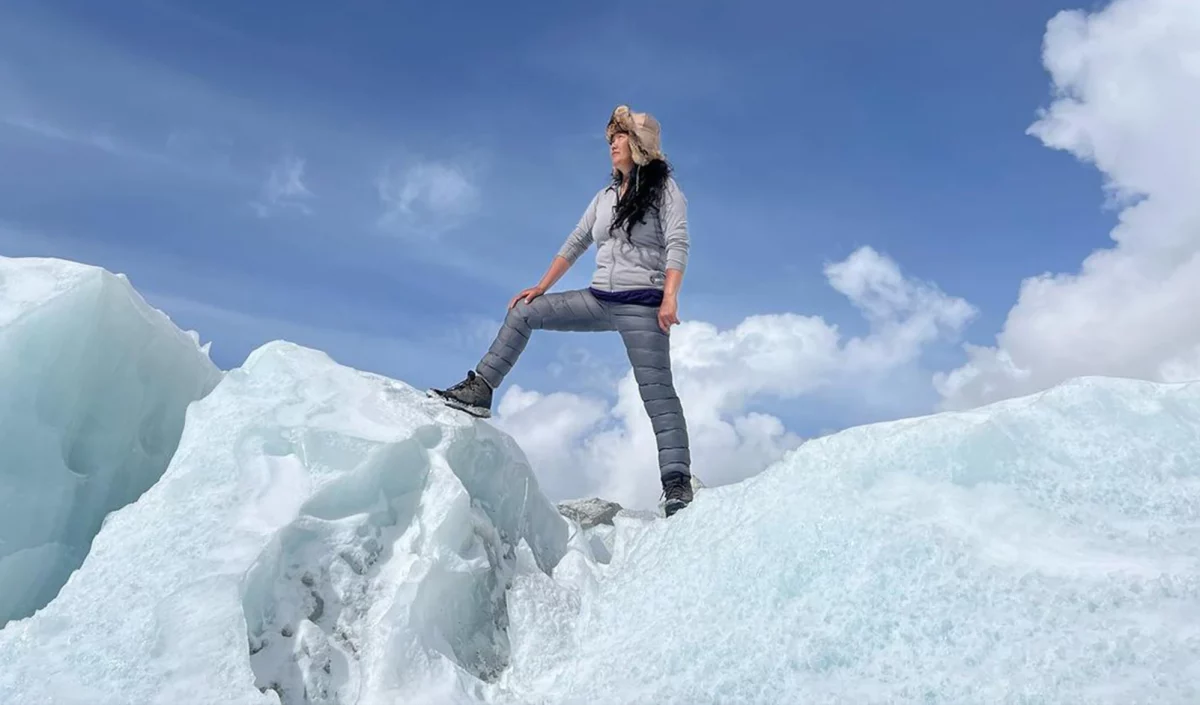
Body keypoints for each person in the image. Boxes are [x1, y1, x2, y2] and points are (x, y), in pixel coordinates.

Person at [429, 104, 694, 517]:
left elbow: (678, 244)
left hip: (643, 305)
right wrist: (541, 286)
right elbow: (575, 242)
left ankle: (676, 484)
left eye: (620, 137)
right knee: (524, 312)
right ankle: (481, 388)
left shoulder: (665, 192)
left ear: (640, 145)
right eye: (610, 139)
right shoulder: (605, 197)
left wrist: (670, 297)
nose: (613, 145)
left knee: (658, 394)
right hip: (597, 300)